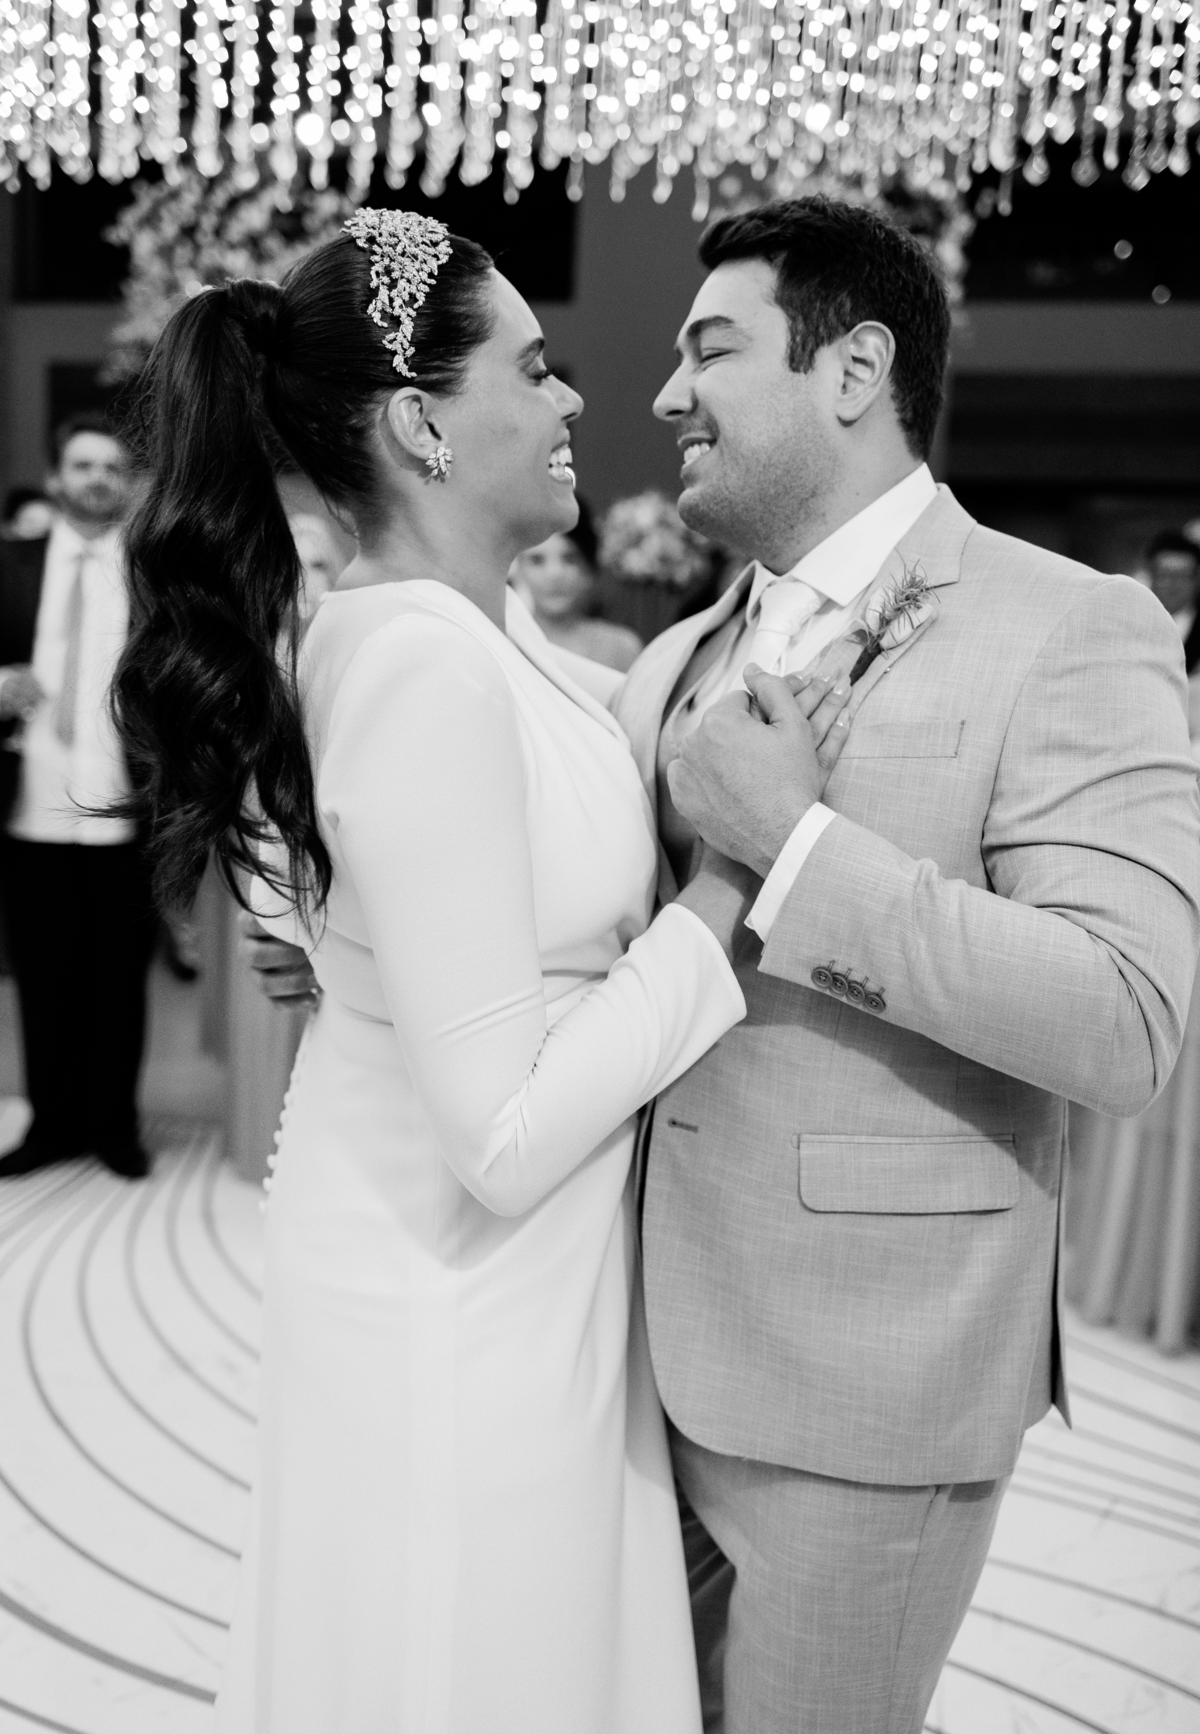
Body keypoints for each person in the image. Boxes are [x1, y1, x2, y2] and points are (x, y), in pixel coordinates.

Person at [109, 210, 850, 1733]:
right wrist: (731, 882)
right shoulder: (418, 662)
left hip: (514, 1269)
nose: (576, 397)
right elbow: (502, 1136)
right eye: (535, 364)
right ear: (419, 425)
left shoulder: (488, 639)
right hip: (459, 1285)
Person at [609, 197, 1200, 1734]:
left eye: (710, 349)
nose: (666, 394)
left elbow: (1128, 1017)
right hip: (623, 1355)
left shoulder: (1070, 624)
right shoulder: (677, 654)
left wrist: (799, 850)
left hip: (869, 1381)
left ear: (854, 369)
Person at [0, 413, 155, 1179]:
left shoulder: (154, 570)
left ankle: (114, 1126)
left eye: (112, 467)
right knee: (43, 977)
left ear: (127, 484)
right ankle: (50, 1124)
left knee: (120, 979)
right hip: (28, 804)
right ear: (56, 476)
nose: (98, 478)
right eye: (83, 465)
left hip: (124, 806)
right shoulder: (11, 561)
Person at [514, 497, 643, 670]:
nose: (555, 574)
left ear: (589, 567)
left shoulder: (621, 648)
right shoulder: (506, 643)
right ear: (518, 568)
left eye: (569, 559)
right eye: (537, 560)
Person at [1145, 527, 1200, 675]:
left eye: (1183, 576)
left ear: (1196, 578)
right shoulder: (1132, 622)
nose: (1173, 584)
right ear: (1151, 575)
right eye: (1165, 575)